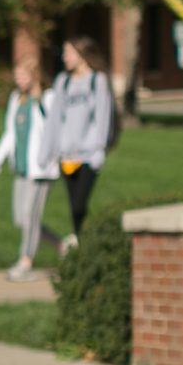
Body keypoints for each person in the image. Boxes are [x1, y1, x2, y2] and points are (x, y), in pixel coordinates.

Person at [0, 55, 62, 279]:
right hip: (21, 168)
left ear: (34, 76)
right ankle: (62, 246)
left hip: (41, 171)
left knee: (31, 217)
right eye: (16, 75)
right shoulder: (16, 99)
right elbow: (10, 132)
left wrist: (38, 102)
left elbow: (52, 130)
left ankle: (25, 261)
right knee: (20, 219)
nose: (18, 79)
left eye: (23, 75)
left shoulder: (47, 98)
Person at [47, 35, 115, 252]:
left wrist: (99, 149)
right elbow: (55, 119)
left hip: (88, 155)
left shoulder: (97, 81)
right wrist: (51, 151)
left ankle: (85, 241)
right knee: (73, 207)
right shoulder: (62, 82)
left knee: (79, 205)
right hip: (67, 155)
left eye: (69, 53)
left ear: (82, 55)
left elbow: (103, 116)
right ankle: (82, 243)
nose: (65, 57)